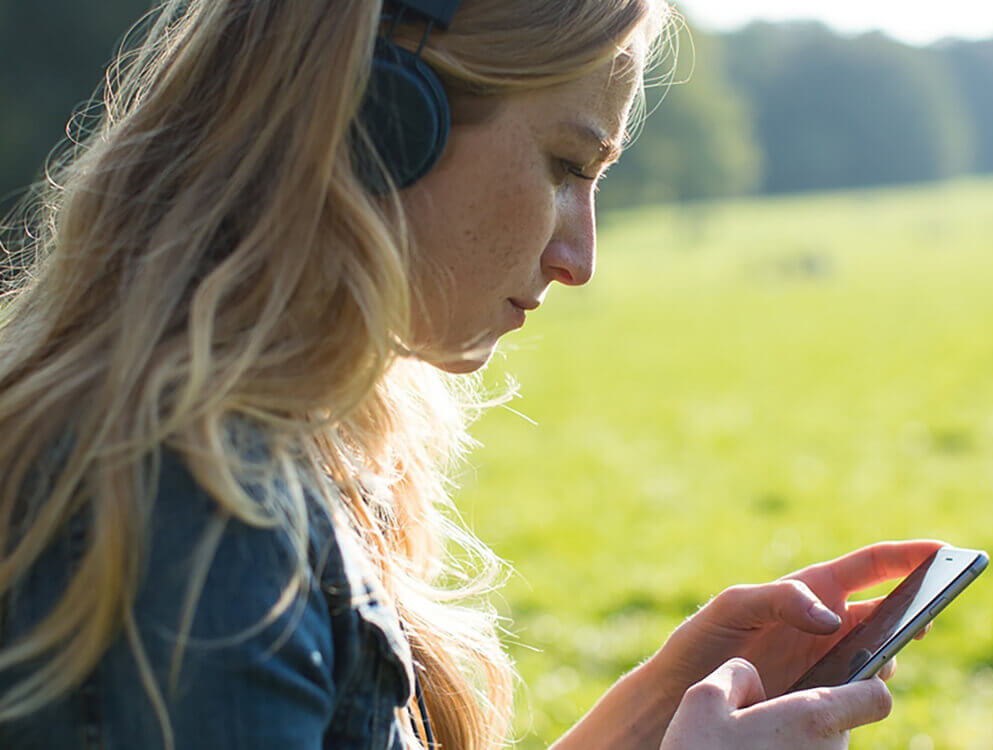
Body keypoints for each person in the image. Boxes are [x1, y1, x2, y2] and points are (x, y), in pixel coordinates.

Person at [0, 1, 942, 748]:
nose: (579, 257)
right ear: (383, 116)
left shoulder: (255, 460)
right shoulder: (192, 531)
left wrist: (648, 718)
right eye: (567, 164)